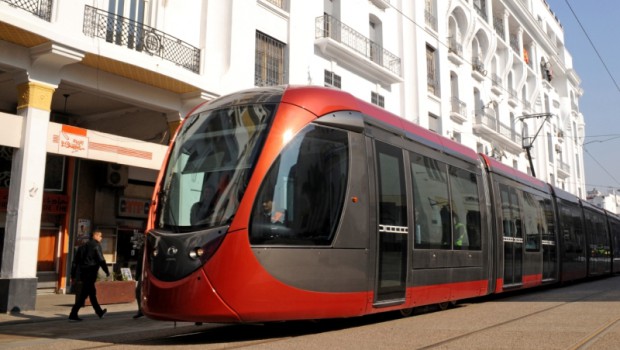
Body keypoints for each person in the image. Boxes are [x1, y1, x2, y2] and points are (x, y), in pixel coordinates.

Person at [68, 230, 110, 322]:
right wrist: (106, 271)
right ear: (96, 236)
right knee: (84, 295)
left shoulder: (82, 247)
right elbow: (101, 260)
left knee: (91, 293)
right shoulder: (96, 245)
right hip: (91, 273)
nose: (101, 238)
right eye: (100, 236)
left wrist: (73, 274)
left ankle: (99, 312)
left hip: (84, 274)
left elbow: (75, 262)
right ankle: (73, 313)